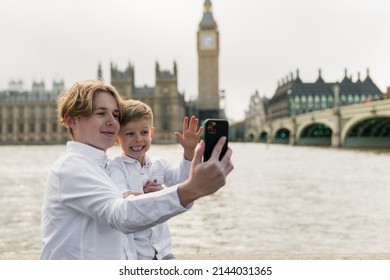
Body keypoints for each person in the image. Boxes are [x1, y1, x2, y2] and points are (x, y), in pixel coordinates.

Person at [40, 79, 233, 259]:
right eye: (101, 113)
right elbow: (123, 215)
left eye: (116, 115)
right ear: (72, 120)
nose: (112, 122)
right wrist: (192, 189)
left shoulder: (103, 165)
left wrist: (188, 168)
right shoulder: (72, 168)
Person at [108, 99, 203, 260]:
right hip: (136, 256)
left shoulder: (159, 165)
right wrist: (161, 195)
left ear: (152, 134)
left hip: (163, 252)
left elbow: (184, 182)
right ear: (117, 139)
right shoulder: (115, 168)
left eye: (144, 133)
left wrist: (189, 151)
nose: (138, 139)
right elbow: (124, 201)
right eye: (130, 134)